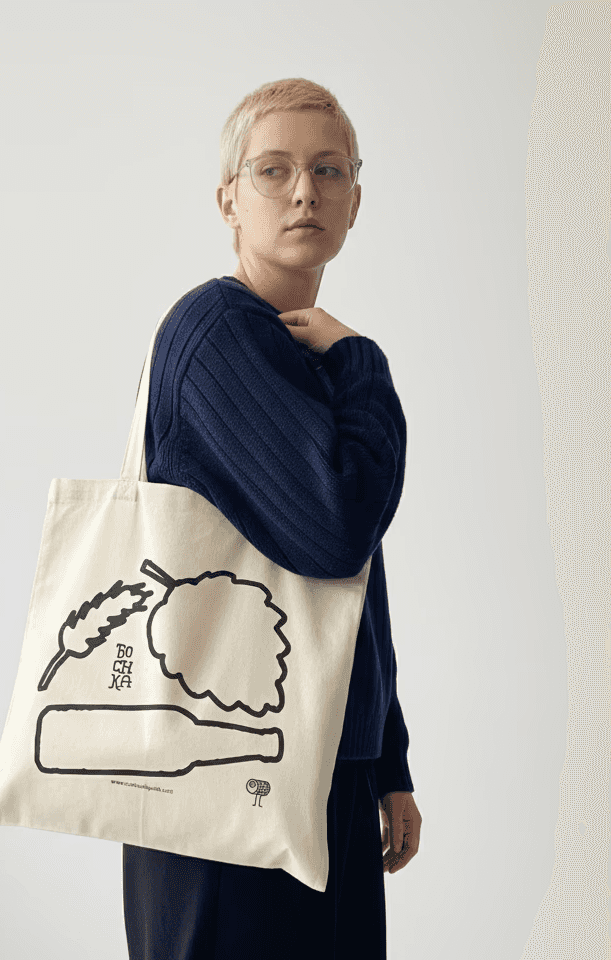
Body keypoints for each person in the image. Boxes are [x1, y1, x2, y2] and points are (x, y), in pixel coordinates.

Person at [122, 77, 422, 960]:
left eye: (329, 170)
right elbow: (338, 529)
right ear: (229, 199)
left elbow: (355, 576)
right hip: (230, 770)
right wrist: (362, 358)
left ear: (356, 200)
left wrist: (386, 760)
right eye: (274, 169)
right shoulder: (221, 331)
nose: (304, 192)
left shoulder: (296, 348)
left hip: (311, 760)